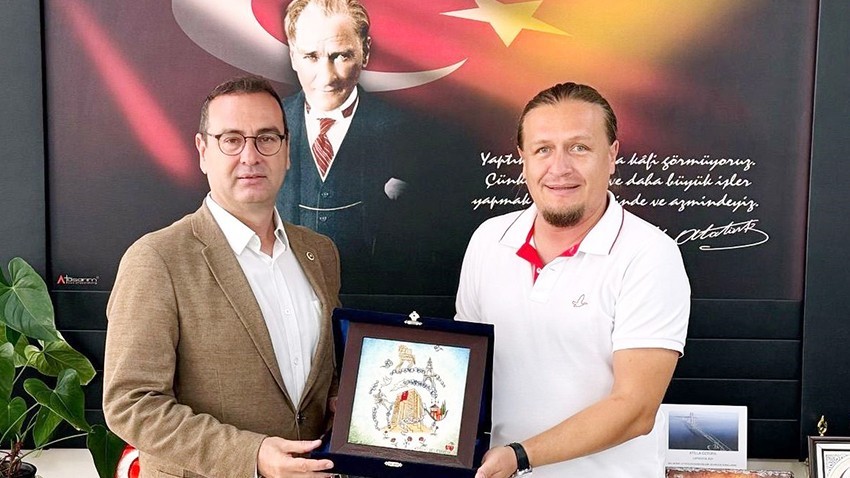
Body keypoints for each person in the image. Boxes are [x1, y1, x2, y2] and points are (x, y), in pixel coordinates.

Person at [103, 76, 340, 478]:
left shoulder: (321, 254)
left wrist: (345, 404)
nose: (251, 156)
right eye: (231, 140)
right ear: (203, 151)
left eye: (267, 138)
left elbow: (325, 378)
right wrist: (251, 456)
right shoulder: (156, 259)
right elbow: (131, 403)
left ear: (287, 151)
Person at [455, 82, 690, 477]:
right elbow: (466, 369)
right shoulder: (488, 241)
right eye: (543, 149)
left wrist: (519, 456)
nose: (559, 168)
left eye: (579, 148)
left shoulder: (649, 255)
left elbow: (636, 409)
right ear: (523, 159)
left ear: (611, 155)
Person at [277, 0, 474, 294]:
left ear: (365, 51)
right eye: (310, 57)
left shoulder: (414, 135)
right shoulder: (265, 128)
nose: (327, 77)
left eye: (341, 56)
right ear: (293, 55)